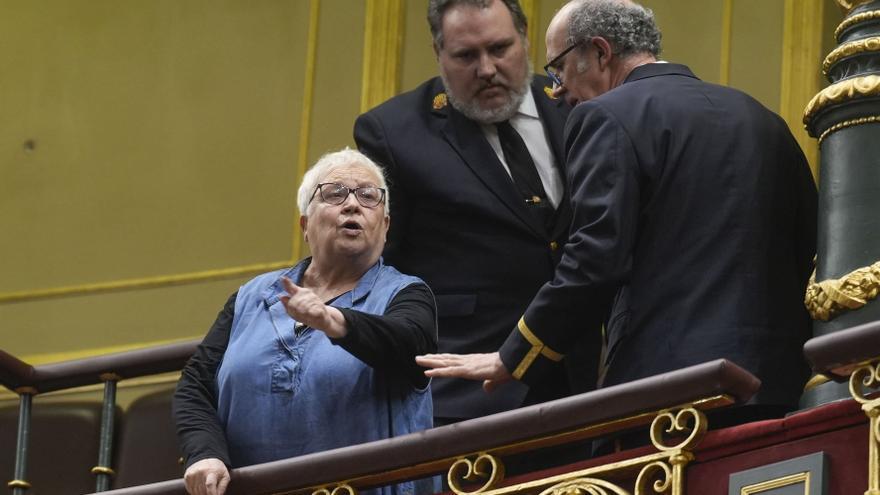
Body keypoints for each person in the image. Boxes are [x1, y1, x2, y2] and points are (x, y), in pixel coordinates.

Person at [418, 0, 818, 424]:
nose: (556, 90)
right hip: (781, 386)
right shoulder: (763, 119)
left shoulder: (605, 116)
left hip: (673, 396)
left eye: (559, 69)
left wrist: (513, 356)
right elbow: (809, 251)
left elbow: (594, 259)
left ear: (599, 53)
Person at [354, 0, 600, 426]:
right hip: (468, 396)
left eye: (500, 48)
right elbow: (373, 273)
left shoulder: (575, 104)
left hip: (589, 380)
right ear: (438, 54)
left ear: (525, 39)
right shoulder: (394, 134)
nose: (486, 69)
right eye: (467, 56)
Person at [173, 149, 437, 495]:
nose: (352, 205)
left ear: (385, 226)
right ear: (304, 225)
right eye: (334, 193)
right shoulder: (251, 297)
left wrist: (334, 321)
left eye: (369, 196)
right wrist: (205, 454)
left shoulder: (405, 293)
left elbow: (410, 346)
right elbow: (195, 386)